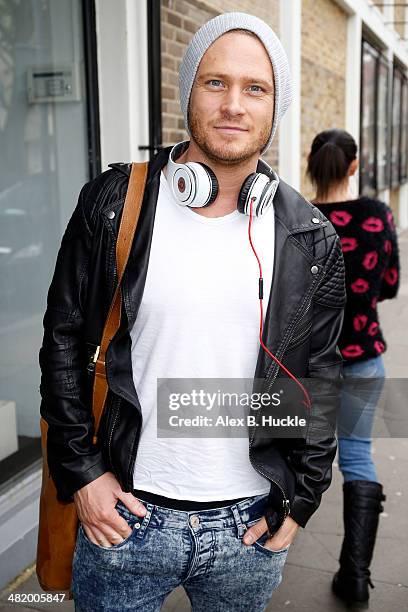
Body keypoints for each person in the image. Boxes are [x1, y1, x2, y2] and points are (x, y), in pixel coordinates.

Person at [39, 13, 345, 612]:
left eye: (255, 88)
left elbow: (322, 375)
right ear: (188, 92)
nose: (234, 104)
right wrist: (82, 473)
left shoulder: (310, 236)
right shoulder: (114, 202)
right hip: (126, 514)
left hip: (250, 526)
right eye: (215, 82)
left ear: (275, 104)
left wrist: (302, 499)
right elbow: (63, 342)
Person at [307, 128, 400, 608]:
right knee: (358, 456)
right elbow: (390, 285)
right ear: (354, 165)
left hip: (308, 364)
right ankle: (356, 575)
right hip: (364, 355)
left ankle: (257, 556)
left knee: (282, 454)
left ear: (311, 164)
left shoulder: (295, 218)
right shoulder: (378, 216)